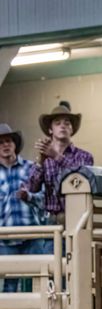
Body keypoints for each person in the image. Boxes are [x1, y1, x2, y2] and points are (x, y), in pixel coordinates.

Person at [20, 101, 94, 231]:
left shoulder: (85, 156)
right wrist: (40, 162)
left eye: (67, 123)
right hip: (51, 221)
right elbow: (32, 188)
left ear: (72, 129)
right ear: (50, 130)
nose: (63, 126)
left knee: (77, 252)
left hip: (78, 220)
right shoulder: (45, 157)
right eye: (57, 123)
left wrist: (56, 156)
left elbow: (82, 177)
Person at [0, 122, 45, 294]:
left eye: (9, 141)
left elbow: (44, 200)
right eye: (1, 142)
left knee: (41, 284)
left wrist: (29, 197)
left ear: (15, 145)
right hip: (5, 240)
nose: (5, 145)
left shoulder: (30, 168)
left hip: (32, 236)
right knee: (9, 288)